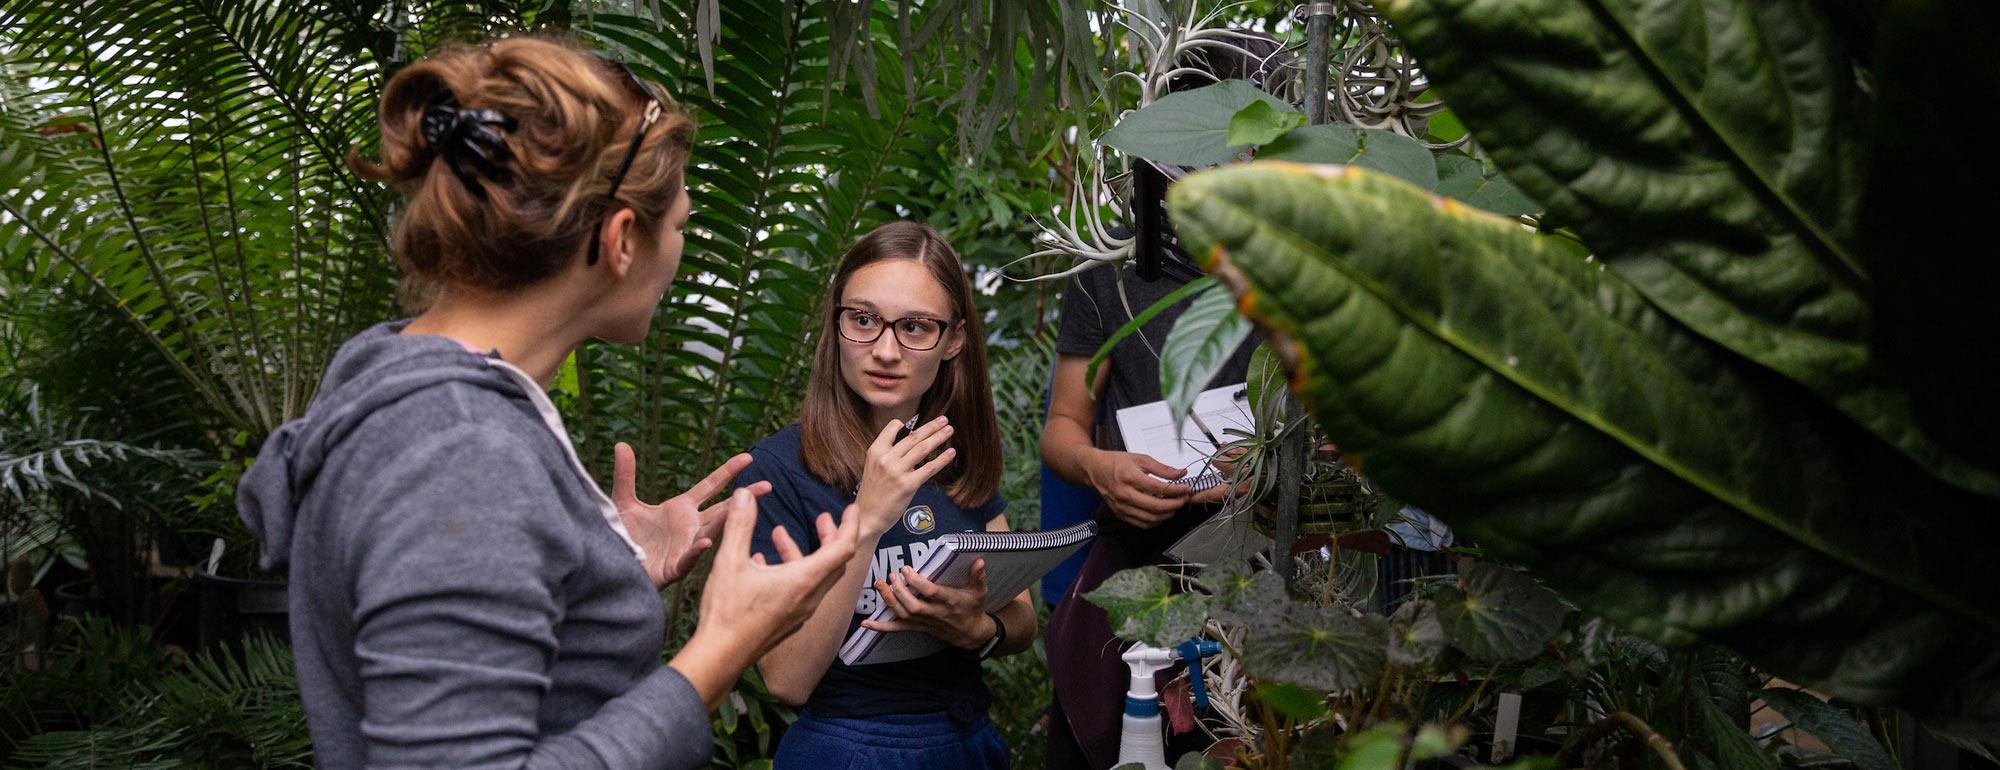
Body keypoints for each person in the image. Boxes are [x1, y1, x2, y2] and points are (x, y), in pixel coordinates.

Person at [236, 36, 858, 770]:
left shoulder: (395, 384)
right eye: (682, 225)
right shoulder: (462, 451)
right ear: (622, 239)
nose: (680, 250)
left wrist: (597, 556)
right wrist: (720, 651)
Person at [731, 222, 1036, 768]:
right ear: (837, 321)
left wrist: (977, 629)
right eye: (864, 320)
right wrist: (866, 523)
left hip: (967, 738)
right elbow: (786, 680)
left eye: (916, 327)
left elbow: (1023, 622)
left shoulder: (954, 453)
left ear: (954, 339)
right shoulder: (776, 470)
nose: (886, 350)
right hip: (843, 745)